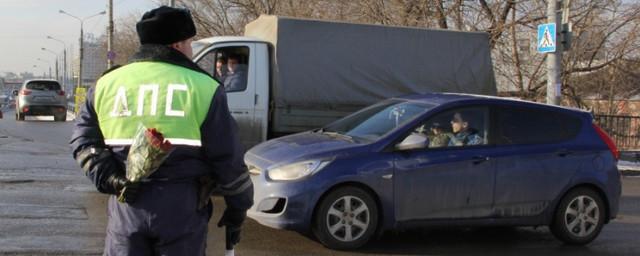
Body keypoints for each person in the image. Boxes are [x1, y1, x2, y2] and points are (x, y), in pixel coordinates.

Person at [69, 6, 253, 255]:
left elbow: (83, 141)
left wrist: (112, 178)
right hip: (182, 211)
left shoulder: (106, 84)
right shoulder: (203, 87)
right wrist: (238, 207)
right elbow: (227, 158)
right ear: (177, 45)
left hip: (127, 207)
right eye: (190, 42)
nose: (191, 48)